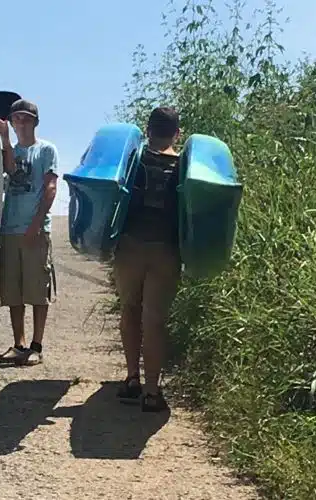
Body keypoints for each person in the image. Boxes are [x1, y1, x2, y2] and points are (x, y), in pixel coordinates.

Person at [113, 106, 182, 412]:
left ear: (147, 130)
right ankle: (152, 392)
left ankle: (131, 379)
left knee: (130, 308)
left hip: (130, 246)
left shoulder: (132, 160)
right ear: (177, 133)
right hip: (166, 250)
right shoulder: (185, 165)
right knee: (154, 320)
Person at [0, 99, 58, 366]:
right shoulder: (11, 150)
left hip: (35, 229)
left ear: (35, 121)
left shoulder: (46, 150)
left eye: (26, 118)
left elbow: (51, 187)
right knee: (13, 289)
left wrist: (36, 224)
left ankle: (36, 345)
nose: (21, 122)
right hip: (10, 228)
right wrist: (6, 141)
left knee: (37, 289)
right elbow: (10, 171)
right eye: (17, 118)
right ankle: (18, 344)